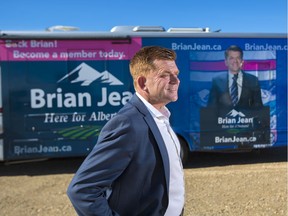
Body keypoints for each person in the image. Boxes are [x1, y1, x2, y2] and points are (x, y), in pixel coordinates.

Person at [67, 46, 185, 216]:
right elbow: (82, 190)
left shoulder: (161, 117)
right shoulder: (128, 123)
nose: (176, 80)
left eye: (176, 74)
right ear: (143, 83)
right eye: (165, 75)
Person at [207, 45, 263, 109]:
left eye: (238, 58)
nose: (235, 61)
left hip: (247, 118)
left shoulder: (253, 80)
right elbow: (211, 108)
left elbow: (258, 108)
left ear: (242, 61)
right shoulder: (217, 81)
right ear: (226, 62)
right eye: (231, 58)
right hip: (222, 118)